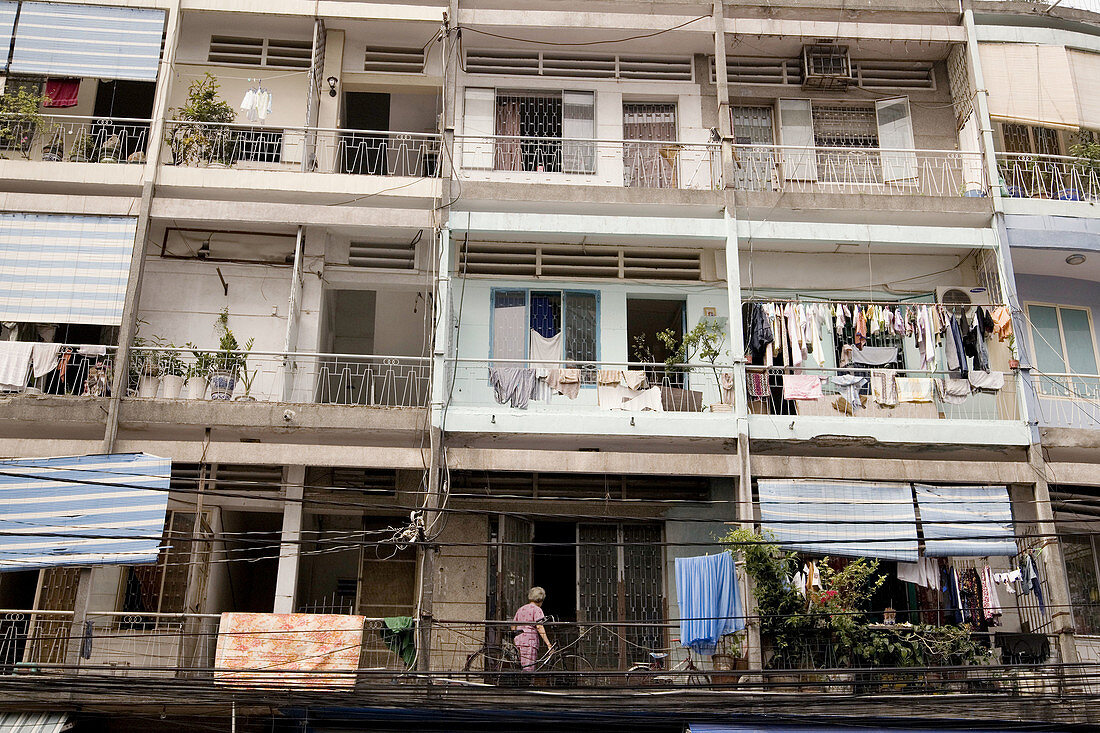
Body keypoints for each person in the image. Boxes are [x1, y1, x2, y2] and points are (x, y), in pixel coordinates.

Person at [512, 586, 553, 671]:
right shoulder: (537, 610)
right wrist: (548, 644)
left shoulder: (521, 609)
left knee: (521, 667)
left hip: (518, 640)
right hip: (529, 641)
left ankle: (520, 682)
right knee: (528, 668)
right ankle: (527, 683)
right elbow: (539, 626)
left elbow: (513, 625)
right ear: (540, 599)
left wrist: (515, 637)